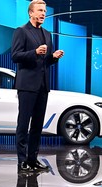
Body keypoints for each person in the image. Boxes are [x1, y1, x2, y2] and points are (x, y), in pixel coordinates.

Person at [11, 0, 64, 173]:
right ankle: (22, 161)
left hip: (42, 85)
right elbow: (15, 56)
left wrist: (53, 57)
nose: (43, 14)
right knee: (23, 123)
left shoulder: (47, 34)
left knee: (37, 125)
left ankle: (33, 159)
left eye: (45, 11)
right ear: (30, 13)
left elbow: (45, 62)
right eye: (40, 10)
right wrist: (34, 52)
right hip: (26, 85)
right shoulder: (21, 31)